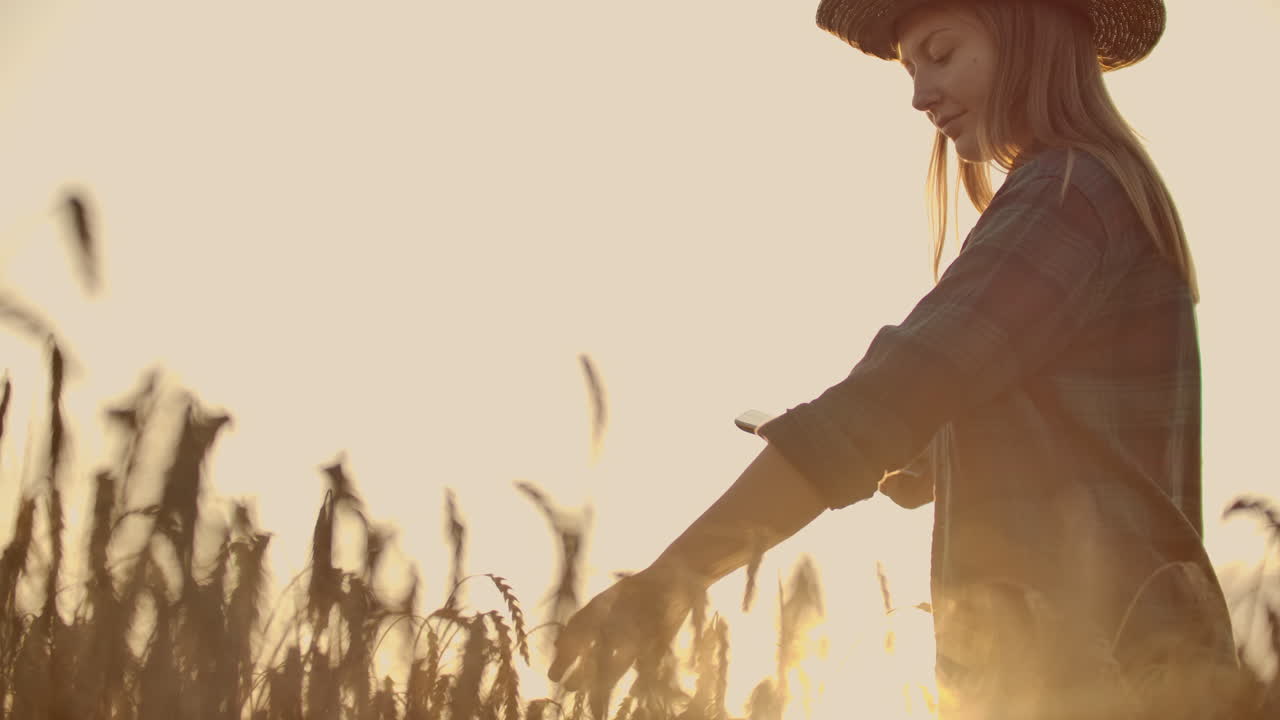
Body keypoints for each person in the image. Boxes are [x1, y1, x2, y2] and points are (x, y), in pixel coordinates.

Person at [549, 0, 1243, 716]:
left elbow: (883, 405)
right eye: (911, 72)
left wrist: (669, 585)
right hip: (1142, 669)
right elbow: (1088, 443)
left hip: (1092, 677)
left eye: (940, 55)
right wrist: (944, 456)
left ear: (1028, 33)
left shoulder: (1066, 196)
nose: (919, 95)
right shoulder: (1106, 189)